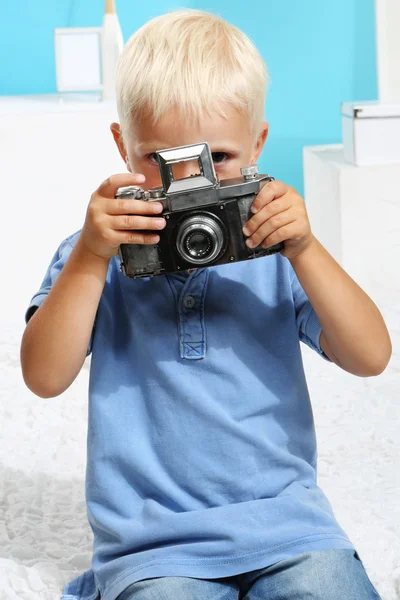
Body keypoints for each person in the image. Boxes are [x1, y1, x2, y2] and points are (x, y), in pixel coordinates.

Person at [20, 9, 391, 600]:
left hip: (289, 527)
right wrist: (90, 258)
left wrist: (307, 249)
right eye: (162, 162)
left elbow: (372, 356)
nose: (190, 185)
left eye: (217, 159)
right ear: (122, 145)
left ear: (258, 144)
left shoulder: (272, 246)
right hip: (154, 546)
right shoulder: (95, 253)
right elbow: (42, 376)